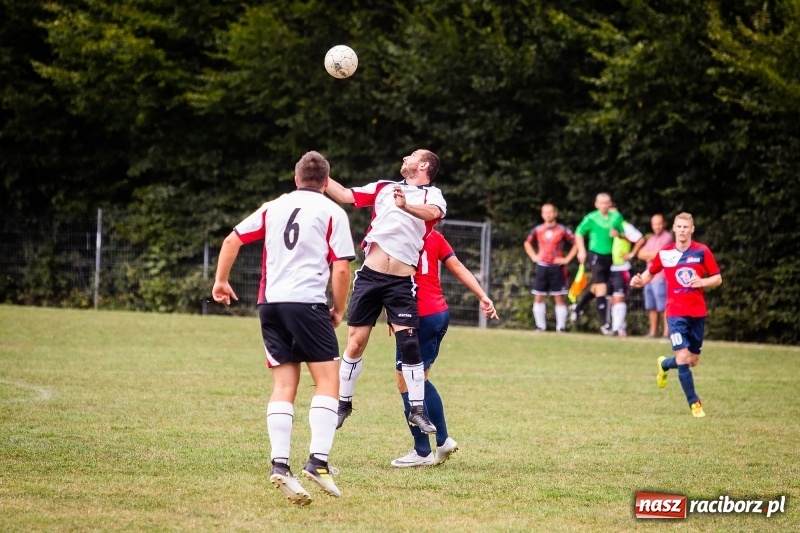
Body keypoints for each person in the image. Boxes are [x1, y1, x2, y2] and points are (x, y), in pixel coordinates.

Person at [211, 151, 355, 505]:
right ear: (326, 181)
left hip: (270, 303)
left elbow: (232, 240)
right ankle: (318, 461)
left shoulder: (273, 206)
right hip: (306, 302)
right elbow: (340, 269)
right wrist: (338, 308)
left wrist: (221, 281)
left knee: (284, 384)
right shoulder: (333, 211)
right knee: (328, 380)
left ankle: (280, 464)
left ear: (295, 179)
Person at [324, 149, 446, 434]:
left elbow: (433, 213)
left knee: (410, 345)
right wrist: (318, 172)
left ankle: (417, 410)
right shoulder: (384, 188)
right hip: (370, 277)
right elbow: (344, 195)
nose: (405, 157)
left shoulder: (433, 195)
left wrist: (406, 207)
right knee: (355, 343)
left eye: (412, 155)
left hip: (402, 281)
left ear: (424, 165)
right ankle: (344, 403)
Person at [391, 228, 499, 468]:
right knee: (420, 378)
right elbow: (458, 266)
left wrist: (394, 314)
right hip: (439, 313)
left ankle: (423, 450)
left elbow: (390, 279)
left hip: (417, 315)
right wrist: (483, 296)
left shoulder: (398, 234)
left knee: (407, 380)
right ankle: (441, 441)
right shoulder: (434, 236)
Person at [630, 212, 722, 418]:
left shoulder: (701, 251)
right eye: (678, 227)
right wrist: (640, 281)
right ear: (674, 228)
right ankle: (694, 403)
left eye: (685, 227)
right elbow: (651, 272)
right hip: (675, 312)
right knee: (682, 356)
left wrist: (703, 282)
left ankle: (664, 364)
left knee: (692, 360)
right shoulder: (665, 253)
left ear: (692, 229)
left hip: (697, 313)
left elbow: (717, 278)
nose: (682, 230)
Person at [571, 193, 626, 334]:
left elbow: (623, 233)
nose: (604, 205)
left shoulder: (616, 217)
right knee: (602, 287)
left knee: (597, 287)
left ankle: (577, 308)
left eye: (607, 202)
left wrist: (618, 234)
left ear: (610, 204)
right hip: (595, 254)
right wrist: (581, 251)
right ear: (596, 204)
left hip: (609, 256)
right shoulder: (591, 217)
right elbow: (578, 233)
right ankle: (604, 325)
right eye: (601, 203)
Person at [523, 203, 577, 332]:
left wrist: (567, 259)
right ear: (542, 215)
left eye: (550, 212)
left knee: (559, 297)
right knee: (539, 296)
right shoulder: (538, 229)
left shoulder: (562, 230)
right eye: (545, 212)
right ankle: (540, 326)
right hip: (542, 266)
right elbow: (527, 243)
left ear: (555, 213)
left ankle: (561, 328)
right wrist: (533, 256)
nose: (548, 214)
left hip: (557, 267)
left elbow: (576, 243)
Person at [608, 208, 645, 337]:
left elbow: (640, 239)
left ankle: (616, 328)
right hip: (610, 267)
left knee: (619, 297)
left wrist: (631, 254)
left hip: (622, 267)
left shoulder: (625, 226)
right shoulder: (605, 226)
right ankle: (619, 327)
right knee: (613, 299)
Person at [637, 214, 674, 338]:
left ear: (664, 224)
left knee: (664, 306)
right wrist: (650, 255)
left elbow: (658, 255)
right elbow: (640, 253)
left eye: (659, 223)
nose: (657, 226)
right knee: (651, 307)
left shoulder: (667, 237)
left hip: (661, 276)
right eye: (654, 224)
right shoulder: (651, 238)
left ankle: (666, 333)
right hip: (649, 277)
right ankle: (653, 332)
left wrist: (649, 255)